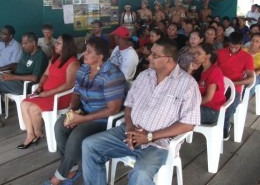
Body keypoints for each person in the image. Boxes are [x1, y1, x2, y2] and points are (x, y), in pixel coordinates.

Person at [82, 38, 201, 185]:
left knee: (140, 174)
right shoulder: (145, 75)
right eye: (150, 53)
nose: (149, 57)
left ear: (169, 60)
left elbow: (188, 124)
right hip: (128, 133)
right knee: (90, 145)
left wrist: (150, 136)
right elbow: (129, 105)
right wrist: (130, 128)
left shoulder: (187, 84)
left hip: (159, 143)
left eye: (154, 55)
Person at [42, 37, 126, 185]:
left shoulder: (112, 74)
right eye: (85, 51)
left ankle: (59, 177)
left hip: (104, 119)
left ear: (99, 57)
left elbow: (113, 109)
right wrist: (72, 111)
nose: (84, 54)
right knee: (60, 126)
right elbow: (76, 93)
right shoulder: (83, 70)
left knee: (76, 135)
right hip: (85, 112)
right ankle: (72, 169)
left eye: (88, 52)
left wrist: (82, 120)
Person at [17, 34, 80, 149]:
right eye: (57, 43)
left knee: (33, 108)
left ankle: (37, 134)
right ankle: (31, 134)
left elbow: (69, 85)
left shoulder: (73, 62)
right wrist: (40, 86)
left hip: (60, 97)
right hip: (45, 92)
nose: (55, 45)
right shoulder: (54, 58)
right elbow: (46, 74)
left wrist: (49, 93)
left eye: (59, 43)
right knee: (24, 104)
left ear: (67, 46)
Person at [217, 31, 254, 140]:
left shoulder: (247, 57)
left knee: (231, 102)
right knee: (209, 99)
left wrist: (233, 83)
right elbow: (213, 69)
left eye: (236, 47)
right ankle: (212, 120)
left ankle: (225, 124)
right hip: (219, 83)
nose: (233, 49)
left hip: (235, 86)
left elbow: (251, 78)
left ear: (242, 44)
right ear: (228, 43)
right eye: (231, 47)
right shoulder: (220, 52)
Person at [188, 43, 226, 124]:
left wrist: (190, 105)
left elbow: (208, 98)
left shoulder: (214, 71)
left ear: (208, 56)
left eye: (198, 53)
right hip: (202, 106)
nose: (195, 56)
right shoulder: (201, 69)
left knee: (178, 113)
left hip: (212, 111)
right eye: (195, 53)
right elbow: (186, 85)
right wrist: (190, 70)